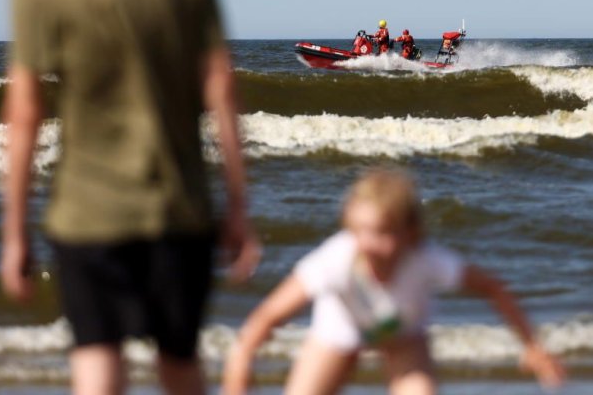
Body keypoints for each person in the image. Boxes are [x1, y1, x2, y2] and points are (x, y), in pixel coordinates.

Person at [0, 0, 261, 394]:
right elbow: (220, 87)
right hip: (177, 206)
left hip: (85, 212)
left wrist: (15, 233)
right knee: (180, 363)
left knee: (97, 364)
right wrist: (238, 206)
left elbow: (24, 113)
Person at [223, 168, 565, 395]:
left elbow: (494, 289)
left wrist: (532, 347)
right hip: (340, 334)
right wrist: (241, 365)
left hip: (403, 337)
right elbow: (266, 318)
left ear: (411, 232)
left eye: (384, 233)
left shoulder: (425, 260)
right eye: (360, 232)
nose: (371, 243)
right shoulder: (335, 260)